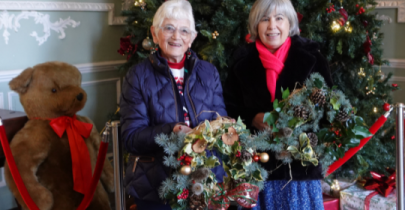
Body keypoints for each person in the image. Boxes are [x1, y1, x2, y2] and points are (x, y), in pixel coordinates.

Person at [224, 0, 333, 209]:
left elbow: (330, 109)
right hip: (256, 169)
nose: (272, 26)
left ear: (289, 23)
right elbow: (229, 107)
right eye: (264, 19)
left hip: (299, 172)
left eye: (279, 18)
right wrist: (251, 118)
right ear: (256, 25)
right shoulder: (242, 61)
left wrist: (301, 126)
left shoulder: (312, 58)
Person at [120, 1, 227, 209]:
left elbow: (219, 121)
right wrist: (172, 130)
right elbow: (131, 138)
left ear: (193, 38)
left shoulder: (209, 72)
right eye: (169, 28)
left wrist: (225, 128)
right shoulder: (137, 76)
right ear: (154, 33)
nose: (177, 36)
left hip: (204, 182)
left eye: (184, 30)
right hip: (156, 185)